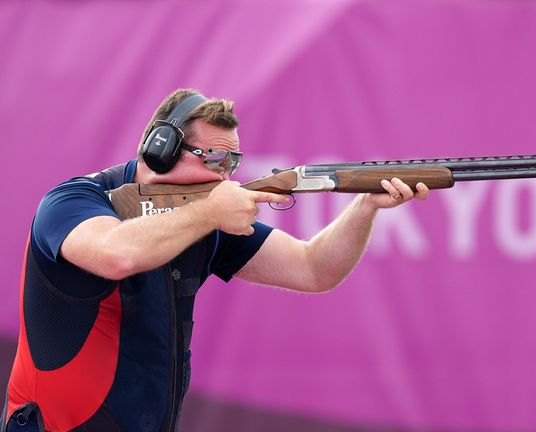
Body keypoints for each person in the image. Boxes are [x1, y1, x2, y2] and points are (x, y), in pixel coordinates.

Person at [2, 89, 429, 432]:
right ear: (161, 149)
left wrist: (364, 207)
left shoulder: (205, 216)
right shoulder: (73, 201)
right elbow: (117, 253)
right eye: (216, 159)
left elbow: (313, 268)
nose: (226, 176)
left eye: (234, 161)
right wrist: (208, 213)